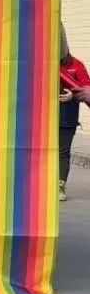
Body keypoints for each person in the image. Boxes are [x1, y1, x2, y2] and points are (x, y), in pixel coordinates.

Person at [58, 52, 90, 201]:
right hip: (44, 118)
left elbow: (86, 90)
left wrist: (72, 95)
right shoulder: (45, 63)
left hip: (67, 118)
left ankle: (60, 186)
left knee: (63, 152)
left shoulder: (76, 65)